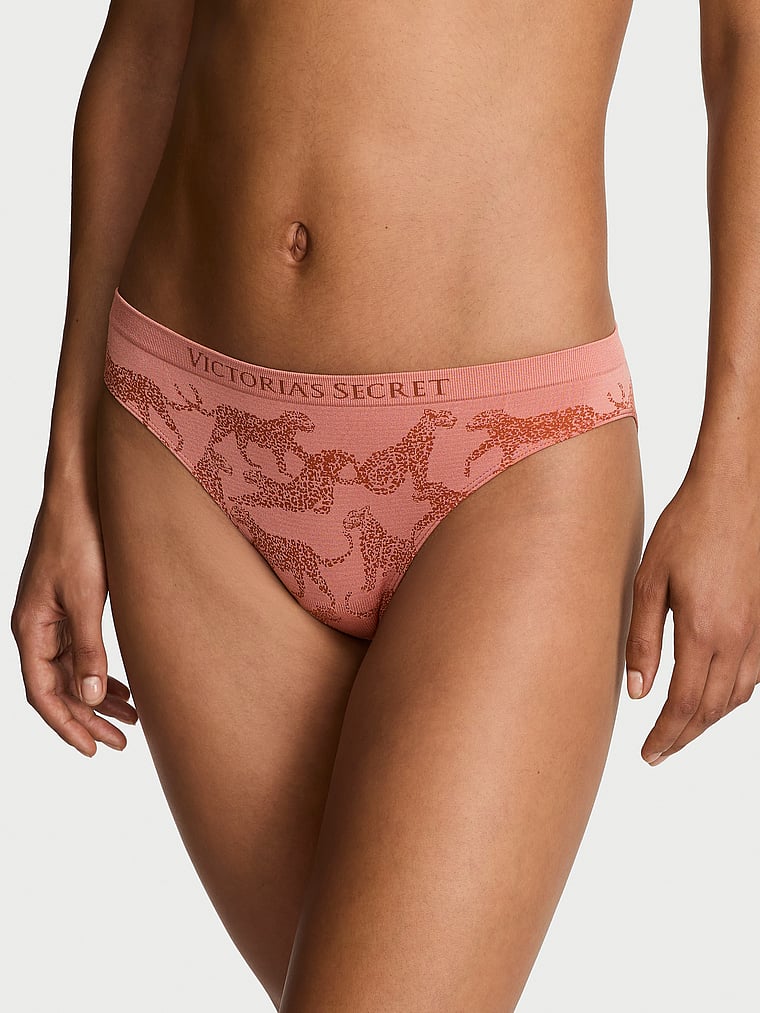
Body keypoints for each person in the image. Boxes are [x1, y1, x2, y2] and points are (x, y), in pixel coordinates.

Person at [10, 1, 760, 1009]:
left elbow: (747, 42)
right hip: (180, 438)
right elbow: (145, 42)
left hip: (507, 463)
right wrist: (67, 471)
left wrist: (740, 473)